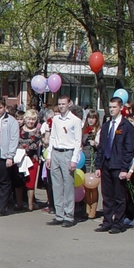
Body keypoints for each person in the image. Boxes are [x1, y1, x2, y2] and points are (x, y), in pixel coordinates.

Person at [94, 97, 134, 234]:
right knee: (107, 195)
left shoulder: (126, 126)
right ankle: (107, 221)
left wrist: (125, 168)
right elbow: (101, 147)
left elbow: (129, 149)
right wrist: (98, 166)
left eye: (114, 107)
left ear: (121, 108)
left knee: (119, 196)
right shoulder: (106, 126)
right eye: (110, 107)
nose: (112, 109)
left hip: (118, 165)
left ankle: (118, 222)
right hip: (106, 164)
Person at [45, 94, 82, 228]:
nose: (61, 106)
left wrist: (74, 159)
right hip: (56, 151)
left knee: (68, 186)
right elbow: (53, 137)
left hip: (68, 152)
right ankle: (59, 214)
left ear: (69, 104)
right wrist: (49, 156)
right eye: (59, 104)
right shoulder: (56, 119)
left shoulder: (75, 121)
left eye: (63, 104)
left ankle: (68, 215)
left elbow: (78, 141)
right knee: (57, 185)